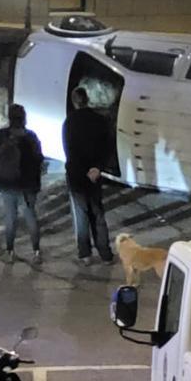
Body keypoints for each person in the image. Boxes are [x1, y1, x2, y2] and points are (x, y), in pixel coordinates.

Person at [63, 86, 115, 265]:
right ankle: (105, 253)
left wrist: (81, 169)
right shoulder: (100, 120)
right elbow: (108, 146)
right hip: (95, 175)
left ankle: (85, 253)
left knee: (81, 215)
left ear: (74, 102)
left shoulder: (69, 122)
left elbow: (69, 149)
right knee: (98, 214)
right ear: (87, 99)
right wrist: (97, 168)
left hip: (76, 175)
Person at [0, 103, 45, 264]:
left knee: (10, 217)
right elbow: (39, 160)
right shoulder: (31, 137)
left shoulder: (2, 135)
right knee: (30, 216)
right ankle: (36, 251)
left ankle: (10, 251)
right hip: (27, 185)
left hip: (7, 183)